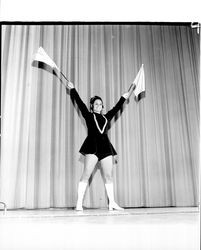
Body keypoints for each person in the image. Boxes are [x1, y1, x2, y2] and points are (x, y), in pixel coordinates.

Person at [67, 81, 131, 211]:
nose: (98, 105)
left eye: (100, 104)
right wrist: (73, 90)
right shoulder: (89, 115)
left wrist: (123, 97)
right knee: (86, 174)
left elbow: (116, 108)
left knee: (109, 176)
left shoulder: (106, 117)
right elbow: (80, 103)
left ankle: (111, 203)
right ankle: (79, 203)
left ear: (102, 106)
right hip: (92, 147)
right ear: (92, 106)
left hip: (105, 148)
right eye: (96, 104)